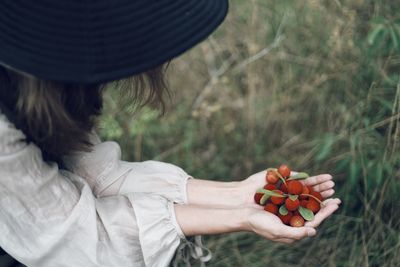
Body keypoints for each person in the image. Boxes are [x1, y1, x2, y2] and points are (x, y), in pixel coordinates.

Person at [0, 0, 341, 266]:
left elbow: (96, 177)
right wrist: (240, 218)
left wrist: (238, 196)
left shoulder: (47, 78)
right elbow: (76, 239)